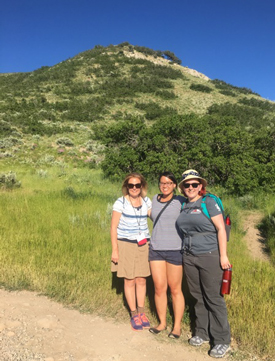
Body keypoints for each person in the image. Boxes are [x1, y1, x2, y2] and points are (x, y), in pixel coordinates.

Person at [176, 169, 231, 358]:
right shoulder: (183, 205)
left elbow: (221, 229)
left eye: (194, 184)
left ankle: (222, 340)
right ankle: (202, 332)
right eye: (187, 184)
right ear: (182, 188)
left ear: (201, 186)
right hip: (189, 255)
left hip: (209, 255)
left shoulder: (208, 202)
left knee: (213, 298)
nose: (190, 187)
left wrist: (223, 256)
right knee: (197, 296)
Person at [111, 172, 152, 331]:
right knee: (129, 279)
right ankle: (134, 314)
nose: (134, 188)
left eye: (137, 185)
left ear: (142, 186)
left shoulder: (147, 201)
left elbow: (156, 216)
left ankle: (142, 312)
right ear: (126, 187)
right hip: (125, 244)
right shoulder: (120, 202)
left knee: (141, 279)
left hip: (143, 244)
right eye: (131, 185)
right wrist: (115, 250)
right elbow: (113, 227)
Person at [149, 171, 186, 339]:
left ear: (174, 185)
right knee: (159, 287)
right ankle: (162, 323)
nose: (165, 186)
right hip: (156, 248)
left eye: (169, 183)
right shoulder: (153, 200)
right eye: (162, 183)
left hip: (175, 249)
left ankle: (177, 326)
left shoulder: (180, 201)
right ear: (159, 184)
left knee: (175, 289)